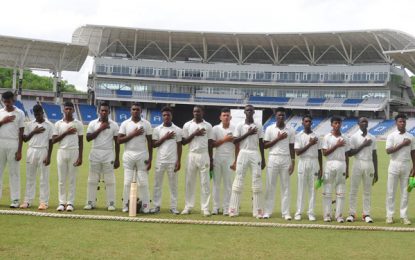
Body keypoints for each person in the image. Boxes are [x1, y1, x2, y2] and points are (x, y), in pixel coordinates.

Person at [228, 105, 266, 218]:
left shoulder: (259, 125)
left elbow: (261, 143)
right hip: (243, 152)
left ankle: (258, 211)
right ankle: (233, 210)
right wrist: (248, 133)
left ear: (254, 112)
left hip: (255, 153)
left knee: (257, 182)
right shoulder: (240, 125)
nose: (249, 112)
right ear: (244, 112)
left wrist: (263, 158)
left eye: (251, 110)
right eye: (247, 110)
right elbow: (235, 141)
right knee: (238, 179)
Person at [84, 102, 120, 211]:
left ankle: (111, 203)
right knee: (92, 180)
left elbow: (117, 142)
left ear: (109, 112)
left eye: (106, 110)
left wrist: (117, 158)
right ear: (99, 111)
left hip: (108, 153)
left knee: (109, 180)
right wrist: (101, 128)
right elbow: (88, 138)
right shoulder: (93, 123)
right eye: (102, 110)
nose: (104, 112)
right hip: (95, 153)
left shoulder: (114, 125)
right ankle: (90, 202)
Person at [118, 102, 152, 213]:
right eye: (133, 109)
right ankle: (125, 205)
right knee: (127, 182)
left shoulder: (146, 124)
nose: (135, 111)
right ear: (130, 111)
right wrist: (133, 134)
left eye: (138, 109)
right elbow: (119, 140)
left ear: (141, 111)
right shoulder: (125, 124)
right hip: (128, 155)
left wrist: (150, 158)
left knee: (143, 182)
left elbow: (150, 142)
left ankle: (145, 206)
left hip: (142, 155)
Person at [263, 107, 295, 220]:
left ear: (285, 116)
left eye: (283, 115)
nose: (281, 117)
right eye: (279, 115)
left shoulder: (290, 129)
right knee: (270, 186)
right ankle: (267, 211)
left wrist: (293, 162)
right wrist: (278, 138)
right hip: (273, 158)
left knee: (286, 187)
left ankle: (285, 213)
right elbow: (265, 146)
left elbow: (292, 147)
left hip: (286, 159)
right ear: (275, 116)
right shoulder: (270, 129)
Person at [181, 105, 213, 217]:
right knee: (189, 182)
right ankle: (188, 206)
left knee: (205, 183)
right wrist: (194, 134)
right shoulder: (187, 125)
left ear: (202, 112)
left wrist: (211, 159)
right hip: (191, 155)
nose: (196, 113)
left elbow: (210, 144)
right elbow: (184, 142)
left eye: (198, 111)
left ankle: (205, 208)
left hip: (204, 155)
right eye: (194, 111)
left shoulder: (208, 126)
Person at [20, 105, 54, 210]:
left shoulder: (49, 125)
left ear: (43, 112)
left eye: (40, 114)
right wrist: (34, 131)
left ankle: (44, 202)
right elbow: (25, 139)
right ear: (34, 114)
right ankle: (27, 201)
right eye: (36, 114)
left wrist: (49, 156)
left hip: (43, 150)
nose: (38, 116)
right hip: (31, 150)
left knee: (44, 178)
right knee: (30, 177)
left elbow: (51, 141)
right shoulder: (30, 124)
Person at [53, 101, 83, 212]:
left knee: (72, 179)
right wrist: (66, 132)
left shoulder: (78, 124)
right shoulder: (58, 124)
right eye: (67, 109)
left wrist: (80, 157)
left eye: (70, 109)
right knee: (61, 179)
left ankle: (70, 202)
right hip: (61, 151)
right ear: (63, 110)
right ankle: (61, 202)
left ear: (74, 110)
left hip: (74, 151)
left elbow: (81, 141)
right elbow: (54, 140)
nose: (68, 111)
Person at [346, 117, 378, 223]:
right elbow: (350, 153)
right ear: (358, 124)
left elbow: (374, 155)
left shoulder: (372, 137)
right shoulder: (354, 137)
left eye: (366, 122)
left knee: (367, 191)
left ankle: (366, 214)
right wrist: (363, 145)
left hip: (369, 164)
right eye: (362, 122)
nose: (364, 123)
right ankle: (352, 214)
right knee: (353, 190)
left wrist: (376, 171)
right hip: (357, 163)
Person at [152, 106, 182, 215]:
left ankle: (173, 207)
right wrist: (165, 137)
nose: (166, 117)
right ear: (162, 116)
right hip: (160, 161)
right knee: (157, 185)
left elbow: (179, 146)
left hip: (172, 161)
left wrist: (178, 161)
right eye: (164, 115)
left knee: (173, 185)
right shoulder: (157, 129)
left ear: (171, 116)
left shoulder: (177, 130)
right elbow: (153, 145)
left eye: (168, 115)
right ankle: (156, 206)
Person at [385, 114, 415, 225]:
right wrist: (403, 144)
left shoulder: (411, 137)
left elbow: (413, 152)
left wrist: (414, 167)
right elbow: (388, 151)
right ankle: (390, 215)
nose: (402, 123)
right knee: (391, 192)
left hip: (406, 165)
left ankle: (404, 216)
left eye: (404, 122)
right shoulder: (391, 136)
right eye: (400, 121)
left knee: (405, 192)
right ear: (396, 123)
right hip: (394, 165)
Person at [294, 115, 322, 221]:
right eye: (306, 121)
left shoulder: (317, 136)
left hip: (314, 163)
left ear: (312, 123)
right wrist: (310, 144)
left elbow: (319, 153)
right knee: (301, 188)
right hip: (303, 161)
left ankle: (311, 212)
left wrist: (321, 169)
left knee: (313, 189)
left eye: (310, 121)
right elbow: (297, 152)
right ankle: (298, 212)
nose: (308, 123)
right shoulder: (299, 136)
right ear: (302, 123)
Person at [321, 116, 349, 223]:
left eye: (339, 123)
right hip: (329, 164)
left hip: (342, 164)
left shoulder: (345, 138)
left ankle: (339, 215)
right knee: (327, 191)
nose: (337, 125)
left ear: (341, 124)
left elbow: (346, 154)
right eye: (335, 123)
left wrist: (347, 169)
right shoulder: (327, 137)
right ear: (331, 124)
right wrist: (337, 145)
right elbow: (325, 153)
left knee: (341, 191)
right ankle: (327, 215)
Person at [0, 91, 25, 208]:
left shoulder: (20, 113)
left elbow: (21, 133)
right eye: (4, 102)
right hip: (1, 142)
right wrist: (3, 121)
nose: (6, 104)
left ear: (13, 100)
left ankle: (15, 199)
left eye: (8, 101)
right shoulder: (0, 112)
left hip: (13, 143)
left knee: (14, 173)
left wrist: (19, 150)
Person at [211, 107, 237, 216]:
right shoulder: (215, 128)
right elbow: (212, 144)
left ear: (230, 117)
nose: (226, 117)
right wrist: (224, 140)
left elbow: (238, 145)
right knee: (216, 184)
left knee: (228, 184)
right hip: (217, 157)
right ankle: (215, 207)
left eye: (227, 115)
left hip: (229, 158)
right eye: (224, 115)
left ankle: (227, 208)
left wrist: (235, 161)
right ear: (220, 117)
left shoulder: (235, 128)